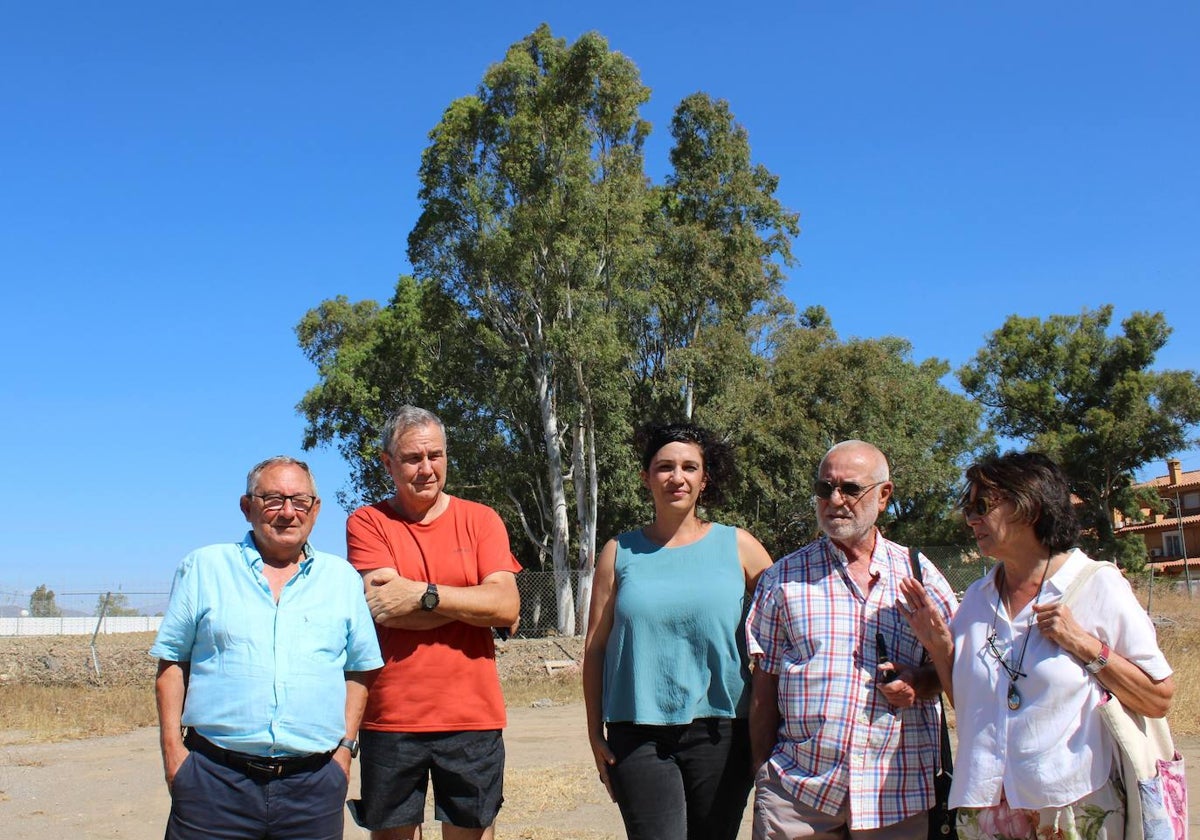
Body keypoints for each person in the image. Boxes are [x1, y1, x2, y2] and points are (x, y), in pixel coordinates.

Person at [899, 451, 1175, 840]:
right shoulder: (977, 599)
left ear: (1030, 507)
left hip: (1072, 806)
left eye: (981, 506)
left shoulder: (1096, 584)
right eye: (967, 507)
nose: (970, 519)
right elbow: (972, 706)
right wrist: (938, 644)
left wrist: (1083, 644)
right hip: (986, 807)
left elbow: (1158, 698)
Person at [150, 456, 384, 840]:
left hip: (312, 787)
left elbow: (361, 668)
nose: (288, 512)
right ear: (247, 507)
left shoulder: (340, 578)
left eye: (300, 500)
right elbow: (173, 663)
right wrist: (174, 754)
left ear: (316, 509)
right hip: (214, 783)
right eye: (273, 499)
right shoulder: (204, 568)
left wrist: (344, 750)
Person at [746, 439, 958, 840]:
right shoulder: (784, 579)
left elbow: (958, 673)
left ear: (884, 495)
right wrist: (763, 771)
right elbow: (765, 684)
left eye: (850, 489)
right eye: (825, 489)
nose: (835, 500)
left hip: (895, 795)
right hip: (798, 796)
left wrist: (920, 681)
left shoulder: (919, 576)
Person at [583, 422, 773, 840]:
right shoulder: (619, 552)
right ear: (646, 477)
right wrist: (595, 732)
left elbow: (789, 621)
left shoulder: (739, 546)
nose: (677, 477)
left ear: (704, 479)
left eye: (690, 467)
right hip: (637, 735)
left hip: (722, 732)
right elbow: (595, 649)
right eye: (664, 466)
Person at [346, 406, 522, 840]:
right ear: (387, 463)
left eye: (436, 456)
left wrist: (423, 594)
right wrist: (470, 604)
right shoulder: (368, 522)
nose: (427, 469)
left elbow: (505, 607)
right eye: (412, 458)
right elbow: (385, 607)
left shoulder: (481, 520)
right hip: (390, 719)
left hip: (472, 719)